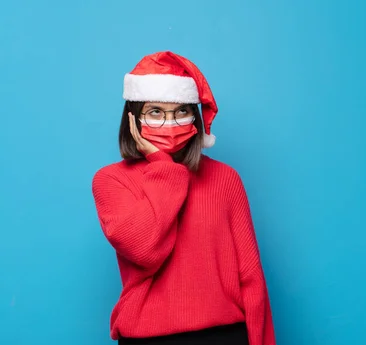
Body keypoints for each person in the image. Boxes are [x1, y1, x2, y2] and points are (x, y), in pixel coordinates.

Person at [91, 51, 276, 345]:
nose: (170, 122)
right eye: (155, 112)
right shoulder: (111, 180)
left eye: (180, 111)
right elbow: (144, 250)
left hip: (224, 336)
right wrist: (164, 167)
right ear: (133, 118)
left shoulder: (225, 178)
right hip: (148, 337)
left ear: (195, 117)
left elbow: (251, 277)